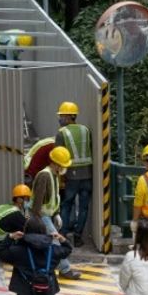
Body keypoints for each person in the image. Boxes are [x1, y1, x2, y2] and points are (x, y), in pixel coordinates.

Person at [31, 146, 81, 280]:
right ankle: (65, 269)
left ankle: (47, 267)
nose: (65, 168)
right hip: (41, 216)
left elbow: (54, 197)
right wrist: (36, 219)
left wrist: (57, 213)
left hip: (48, 215)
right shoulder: (44, 176)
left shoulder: (54, 175)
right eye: (63, 165)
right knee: (56, 242)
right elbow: (38, 200)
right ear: (56, 163)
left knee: (49, 243)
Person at [0, 217, 73, 295]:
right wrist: (61, 238)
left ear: (26, 230)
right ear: (44, 230)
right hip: (47, 292)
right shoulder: (53, 250)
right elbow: (68, 249)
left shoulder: (18, 250)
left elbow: (0, 251)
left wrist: (10, 237)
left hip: (24, 293)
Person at [55, 101, 92, 248]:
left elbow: (58, 157)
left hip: (71, 176)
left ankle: (63, 235)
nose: (60, 119)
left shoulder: (62, 133)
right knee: (83, 207)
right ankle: (78, 236)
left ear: (69, 116)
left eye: (62, 115)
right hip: (87, 175)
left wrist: (60, 177)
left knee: (66, 205)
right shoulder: (86, 130)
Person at [0, 184, 31, 260]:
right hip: (2, 245)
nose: (27, 202)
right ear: (19, 199)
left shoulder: (4, 207)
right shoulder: (16, 214)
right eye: (26, 199)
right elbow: (29, 228)